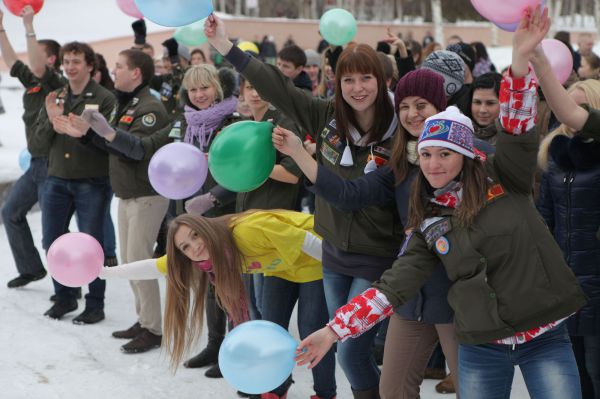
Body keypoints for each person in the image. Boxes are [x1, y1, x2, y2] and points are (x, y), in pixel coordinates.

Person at [295, 7, 587, 399]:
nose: (433, 164)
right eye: (426, 154)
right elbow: (395, 283)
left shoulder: (504, 176)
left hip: (543, 333)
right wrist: (334, 330)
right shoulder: (431, 219)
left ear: (466, 154)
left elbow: (517, 125)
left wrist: (520, 63)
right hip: (482, 340)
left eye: (444, 154)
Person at [205, 14, 403, 399]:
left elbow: (353, 195)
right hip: (333, 254)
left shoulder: (395, 138)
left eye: (366, 79)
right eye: (348, 80)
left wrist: (300, 154)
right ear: (337, 83)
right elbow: (278, 88)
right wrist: (226, 46)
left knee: (350, 347)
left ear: (382, 82)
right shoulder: (327, 116)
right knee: (343, 344)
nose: (357, 88)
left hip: (375, 256)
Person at [272, 68, 461, 398]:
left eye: (422, 105)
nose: (412, 114)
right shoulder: (399, 165)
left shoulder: (472, 160)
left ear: (440, 107)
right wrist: (299, 153)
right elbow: (348, 194)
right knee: (392, 390)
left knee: (474, 387)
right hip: (411, 293)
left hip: (458, 297)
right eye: (404, 106)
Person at [97, 210, 335, 399]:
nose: (194, 247)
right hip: (282, 269)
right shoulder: (207, 257)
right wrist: (105, 272)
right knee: (269, 332)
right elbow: (154, 266)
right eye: (185, 247)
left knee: (311, 330)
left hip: (317, 261)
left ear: (205, 228)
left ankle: (325, 394)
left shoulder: (246, 232)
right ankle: (274, 388)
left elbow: (307, 241)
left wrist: (341, 271)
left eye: (195, 236)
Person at [57, 49, 171, 353]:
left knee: (139, 262)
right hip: (128, 195)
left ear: (136, 73)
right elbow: (113, 147)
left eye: (119, 67)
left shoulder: (149, 107)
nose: (114, 71)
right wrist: (85, 135)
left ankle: (154, 329)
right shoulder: (127, 103)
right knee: (131, 262)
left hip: (146, 195)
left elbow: (135, 150)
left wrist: (102, 131)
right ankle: (143, 319)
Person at [32, 41, 116, 323]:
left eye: (76, 62)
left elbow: (111, 145)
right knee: (52, 240)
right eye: (66, 62)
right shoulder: (56, 97)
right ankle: (65, 296)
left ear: (90, 66)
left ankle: (95, 303)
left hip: (91, 181)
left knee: (93, 245)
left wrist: (87, 134)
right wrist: (51, 119)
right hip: (56, 179)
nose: (70, 67)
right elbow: (37, 143)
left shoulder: (104, 98)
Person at [536, 78, 600, 399]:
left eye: (577, 106)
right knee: (572, 366)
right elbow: (543, 220)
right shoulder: (554, 158)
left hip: (596, 279)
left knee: (595, 364)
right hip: (565, 280)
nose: (568, 114)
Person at [0, 6, 64, 288]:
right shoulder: (32, 84)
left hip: (53, 164)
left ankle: (67, 285)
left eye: (35, 49)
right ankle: (31, 268)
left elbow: (36, 66)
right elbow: (12, 61)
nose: (30, 53)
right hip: (36, 164)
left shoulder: (55, 83)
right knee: (10, 213)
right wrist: (1, 29)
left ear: (50, 59)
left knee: (54, 230)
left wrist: (28, 25)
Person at [467, 72, 502, 145]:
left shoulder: (513, 137)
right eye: (477, 102)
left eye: (490, 103)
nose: (482, 110)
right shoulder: (458, 131)